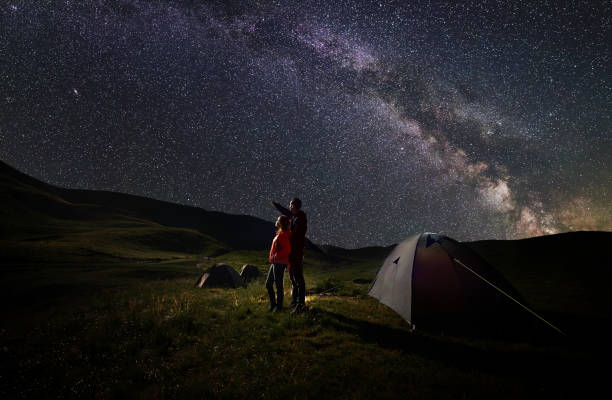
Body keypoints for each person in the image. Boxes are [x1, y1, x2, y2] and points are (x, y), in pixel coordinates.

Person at [270, 198, 307, 314]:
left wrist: (287, 238)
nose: (290, 207)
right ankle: (294, 301)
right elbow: (285, 212)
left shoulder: (301, 219)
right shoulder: (294, 216)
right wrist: (276, 205)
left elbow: (297, 236)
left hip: (296, 253)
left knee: (298, 278)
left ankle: (301, 304)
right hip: (291, 253)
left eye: (291, 205)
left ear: (295, 206)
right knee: (293, 278)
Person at [266, 215, 292, 312]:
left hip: (279, 263)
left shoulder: (284, 234)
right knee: (269, 284)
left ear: (281, 223)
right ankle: (273, 304)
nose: (276, 220)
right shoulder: (280, 233)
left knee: (278, 285)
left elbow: (287, 250)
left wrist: (275, 256)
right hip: (275, 262)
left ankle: (278, 307)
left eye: (278, 219)